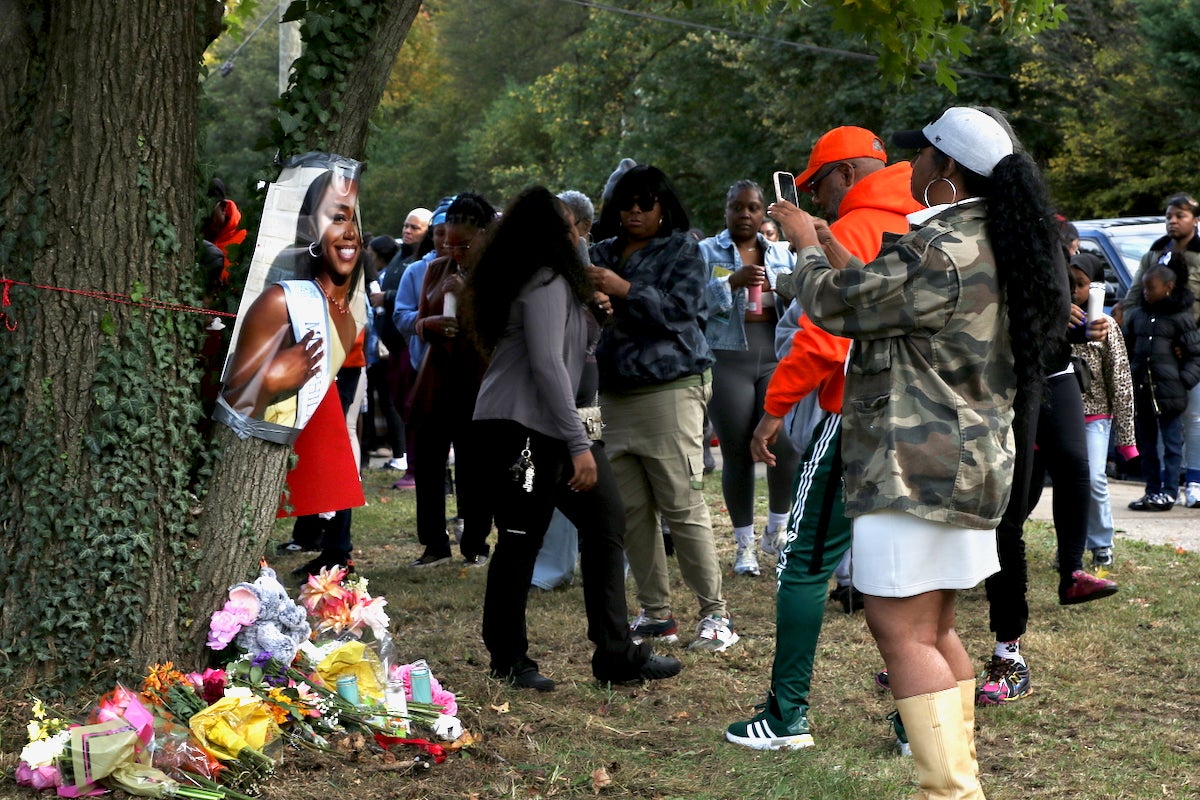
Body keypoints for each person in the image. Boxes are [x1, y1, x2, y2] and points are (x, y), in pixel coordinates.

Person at [772, 106, 1065, 798]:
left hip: (915, 465)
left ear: (948, 169)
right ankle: (960, 785)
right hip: (966, 464)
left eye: (923, 156)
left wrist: (803, 245)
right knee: (933, 630)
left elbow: (838, 308)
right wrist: (831, 245)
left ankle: (952, 794)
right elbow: (888, 304)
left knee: (901, 632)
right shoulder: (993, 240)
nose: (912, 167)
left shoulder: (942, 247)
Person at [724, 126, 921, 750]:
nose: (816, 199)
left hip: (856, 417)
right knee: (909, 577)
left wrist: (773, 410)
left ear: (845, 175)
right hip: (922, 423)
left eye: (817, 185)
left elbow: (822, 337)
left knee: (804, 563)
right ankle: (920, 727)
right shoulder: (926, 222)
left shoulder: (857, 226)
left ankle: (786, 716)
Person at [467, 186, 682, 690]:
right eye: (568, 227)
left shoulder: (562, 284)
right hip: (519, 428)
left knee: (606, 522)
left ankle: (616, 654)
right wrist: (580, 446)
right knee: (520, 540)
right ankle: (509, 660)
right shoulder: (542, 281)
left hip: (562, 423)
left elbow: (576, 365)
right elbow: (546, 368)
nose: (578, 235)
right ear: (548, 234)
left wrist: (595, 322)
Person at [588, 164, 738, 652]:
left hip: (670, 388)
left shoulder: (682, 250)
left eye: (645, 203)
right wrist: (596, 300)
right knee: (631, 511)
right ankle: (656, 614)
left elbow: (682, 312)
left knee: (681, 505)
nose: (634, 211)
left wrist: (623, 289)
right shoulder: (599, 253)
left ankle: (715, 614)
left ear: (663, 207)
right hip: (612, 394)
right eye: (625, 203)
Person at [699, 179, 798, 577]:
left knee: (784, 444)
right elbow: (692, 300)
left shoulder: (780, 252)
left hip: (774, 357)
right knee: (738, 449)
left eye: (753, 208)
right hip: (728, 359)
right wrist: (731, 282)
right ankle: (744, 546)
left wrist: (781, 285)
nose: (744, 214)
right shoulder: (707, 251)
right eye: (737, 207)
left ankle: (776, 532)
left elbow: (804, 295)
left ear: (763, 212)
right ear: (726, 210)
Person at [406, 193, 496, 568]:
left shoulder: (498, 274)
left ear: (484, 236)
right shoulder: (436, 269)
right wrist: (430, 324)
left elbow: (498, 331)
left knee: (475, 468)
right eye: (449, 243)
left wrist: (467, 297)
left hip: (478, 383)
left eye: (463, 245)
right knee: (428, 465)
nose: (454, 251)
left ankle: (475, 541)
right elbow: (417, 321)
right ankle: (434, 543)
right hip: (436, 381)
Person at [1119, 194, 1200, 507]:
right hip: (1156, 354)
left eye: (1180, 215)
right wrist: (1132, 321)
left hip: (1190, 350)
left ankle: (1194, 482)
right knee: (1158, 426)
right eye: (1169, 216)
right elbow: (1134, 295)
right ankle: (1163, 487)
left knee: (1193, 419)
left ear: (1195, 220)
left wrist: (1187, 361)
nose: (1173, 221)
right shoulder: (1155, 252)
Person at [1069, 253, 1136, 563]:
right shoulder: (1056, 319)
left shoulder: (1105, 325)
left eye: (1081, 284)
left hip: (1095, 416)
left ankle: (1101, 543)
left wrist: (1126, 439)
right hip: (1062, 416)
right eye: (1069, 283)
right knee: (1071, 483)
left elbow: (1120, 381)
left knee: (1094, 478)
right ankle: (1070, 546)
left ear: (1096, 287)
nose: (1074, 290)